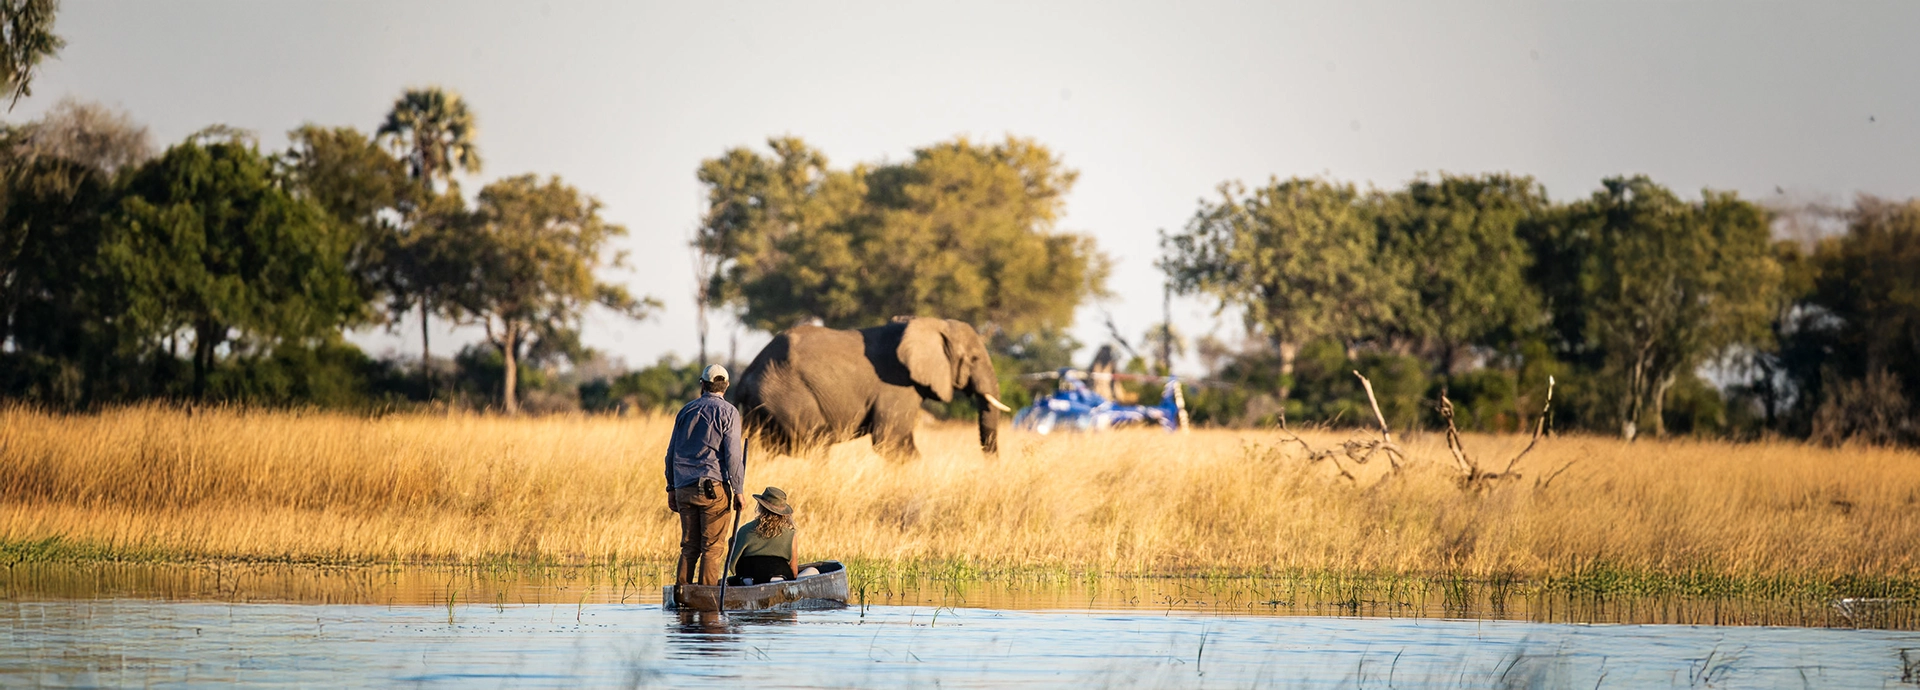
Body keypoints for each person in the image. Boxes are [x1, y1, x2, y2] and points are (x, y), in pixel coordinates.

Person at [665, 364, 744, 587]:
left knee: (689, 547)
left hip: (683, 488)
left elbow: (671, 453)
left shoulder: (686, 411)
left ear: (702, 384)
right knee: (712, 548)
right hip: (713, 490)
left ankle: (681, 598)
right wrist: (738, 491)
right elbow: (733, 457)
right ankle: (706, 603)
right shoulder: (729, 412)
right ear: (726, 386)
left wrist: (671, 487)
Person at [726, 486, 801, 585]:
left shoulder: (745, 530)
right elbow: (794, 573)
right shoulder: (791, 535)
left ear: (760, 506)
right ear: (783, 513)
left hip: (749, 581)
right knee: (813, 570)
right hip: (779, 580)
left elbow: (732, 564)